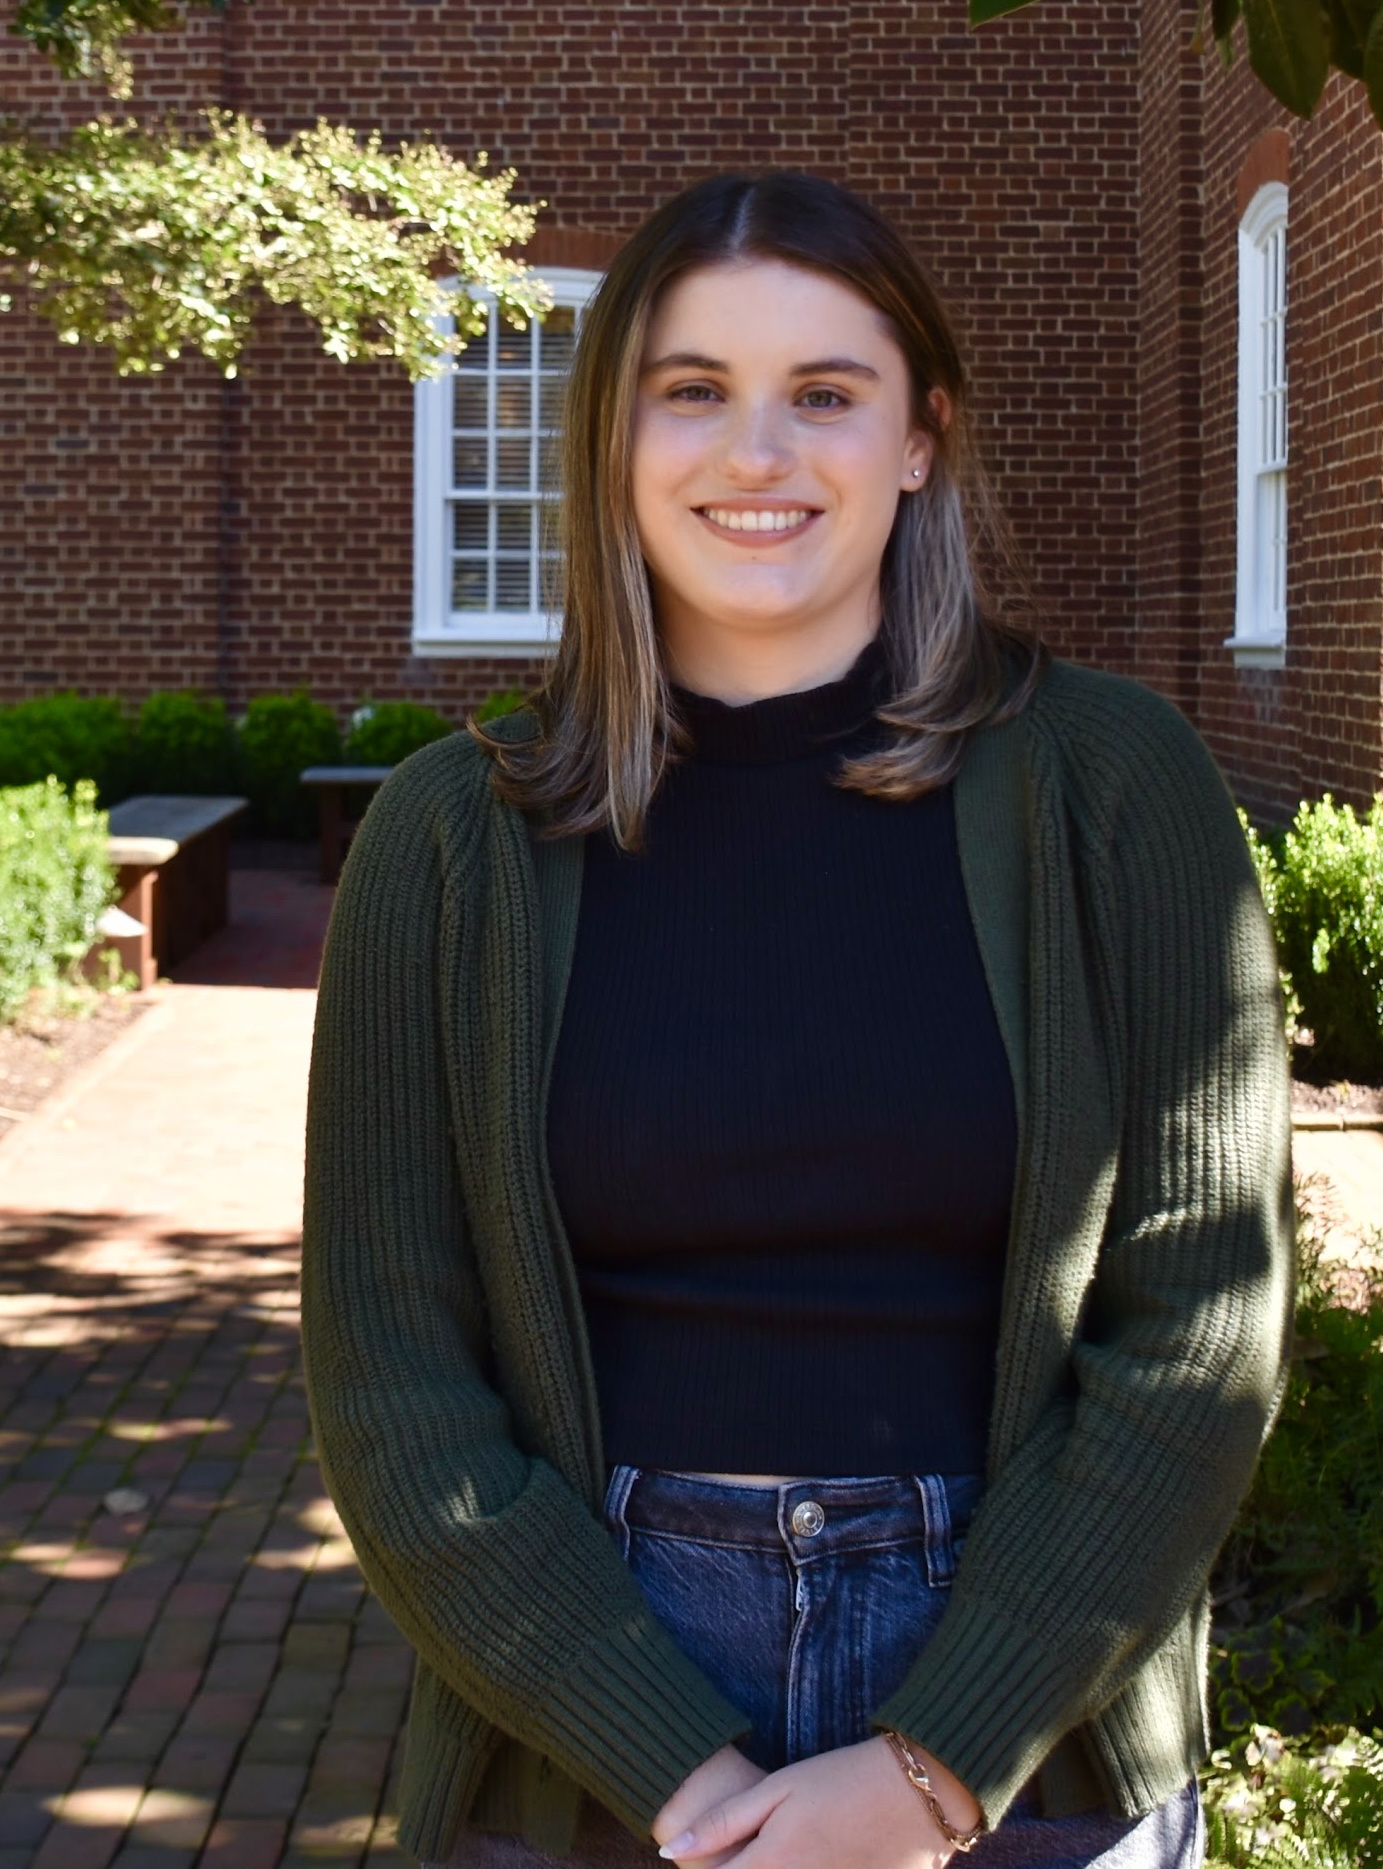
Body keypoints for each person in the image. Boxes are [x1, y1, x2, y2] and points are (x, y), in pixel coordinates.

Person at [300, 171, 1294, 1869]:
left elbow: (1203, 1318)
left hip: (1030, 1731)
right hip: (585, 1726)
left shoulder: (1115, 790)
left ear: (919, 438)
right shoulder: (447, 845)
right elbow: (395, 1375)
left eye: (824, 395)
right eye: (693, 391)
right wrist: (673, 1775)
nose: (756, 452)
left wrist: (937, 1760)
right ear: (614, 434)